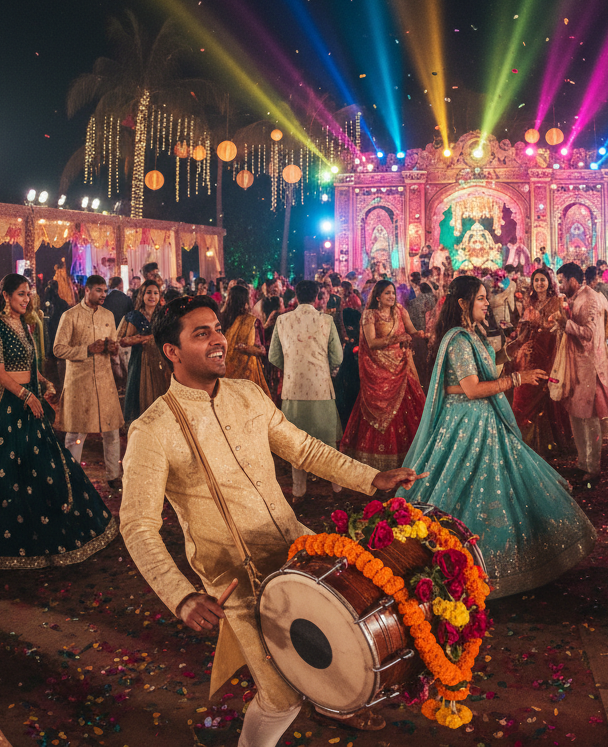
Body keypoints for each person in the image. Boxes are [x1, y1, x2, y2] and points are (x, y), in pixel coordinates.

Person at [119, 295, 422, 740]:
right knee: (281, 695)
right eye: (201, 334)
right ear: (171, 351)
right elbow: (137, 525)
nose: (219, 340)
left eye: (217, 328)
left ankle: (329, 703)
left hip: (299, 555)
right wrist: (180, 596)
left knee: (339, 651)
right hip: (239, 583)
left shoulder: (247, 394)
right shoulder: (153, 428)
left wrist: (371, 478)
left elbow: (302, 448)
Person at [397, 275, 596, 597]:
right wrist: (519, 377)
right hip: (466, 425)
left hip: (481, 421)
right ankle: (471, 566)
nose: (487, 303)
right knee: (467, 490)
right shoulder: (459, 339)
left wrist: (510, 352)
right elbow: (473, 388)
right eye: (480, 298)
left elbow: (482, 370)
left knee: (498, 485)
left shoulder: (471, 334)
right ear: (463, 304)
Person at [0, 273, 117, 568]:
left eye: (29, 294)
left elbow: (28, 364)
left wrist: (43, 383)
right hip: (10, 405)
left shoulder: (25, 326)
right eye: (21, 294)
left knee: (43, 463)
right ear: (6, 295)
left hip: (30, 401)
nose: (27, 299)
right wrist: (26, 396)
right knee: (6, 467)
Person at [339, 279, 426, 469]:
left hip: (402, 367)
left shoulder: (400, 310)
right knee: (378, 413)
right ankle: (375, 462)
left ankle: (412, 458)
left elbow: (411, 330)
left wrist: (422, 334)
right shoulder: (370, 315)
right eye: (387, 293)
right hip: (378, 371)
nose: (391, 296)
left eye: (393, 293)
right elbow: (372, 343)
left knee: (410, 408)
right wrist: (396, 338)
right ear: (377, 297)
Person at [268, 279, 344, 499]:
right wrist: (323, 368)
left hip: (292, 389)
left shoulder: (282, 320)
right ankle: (336, 487)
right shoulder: (326, 321)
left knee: (297, 442)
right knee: (328, 441)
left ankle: (299, 490)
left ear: (296, 297)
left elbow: (273, 356)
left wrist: (292, 366)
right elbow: (338, 356)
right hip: (321, 388)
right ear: (317, 297)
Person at [555, 262, 608, 483]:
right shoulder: (575, 299)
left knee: (590, 417)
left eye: (561, 281)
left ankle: (593, 467)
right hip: (576, 364)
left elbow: (589, 333)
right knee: (576, 415)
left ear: (572, 280)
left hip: (590, 366)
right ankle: (582, 462)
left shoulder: (590, 299)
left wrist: (565, 324)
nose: (560, 286)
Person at [53, 274, 124, 491]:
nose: (103, 295)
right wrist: (86, 350)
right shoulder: (70, 316)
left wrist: (113, 349)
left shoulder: (109, 316)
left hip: (104, 380)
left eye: (105, 291)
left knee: (111, 431)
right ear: (87, 290)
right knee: (76, 432)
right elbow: (58, 349)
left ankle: (114, 475)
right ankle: (72, 476)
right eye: (99, 291)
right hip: (79, 382)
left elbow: (115, 345)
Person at [505, 268, 572, 457]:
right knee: (525, 391)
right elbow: (523, 328)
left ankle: (548, 443)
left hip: (551, 350)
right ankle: (525, 442)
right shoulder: (530, 302)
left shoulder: (558, 302)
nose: (540, 283)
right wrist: (520, 343)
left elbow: (563, 326)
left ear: (550, 282)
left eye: (543, 280)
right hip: (532, 353)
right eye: (536, 280)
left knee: (547, 392)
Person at [118, 279, 171, 425]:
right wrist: (139, 339)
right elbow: (123, 340)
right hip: (140, 360)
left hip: (161, 360)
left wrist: (148, 337)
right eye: (149, 292)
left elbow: (169, 336)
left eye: (156, 293)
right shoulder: (134, 316)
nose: (152, 296)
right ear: (142, 295)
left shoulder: (163, 315)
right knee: (140, 394)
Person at [220, 284, 272, 397]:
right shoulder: (252, 322)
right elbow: (260, 349)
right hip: (247, 374)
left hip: (224, 373)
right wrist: (255, 349)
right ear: (245, 300)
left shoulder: (220, 320)